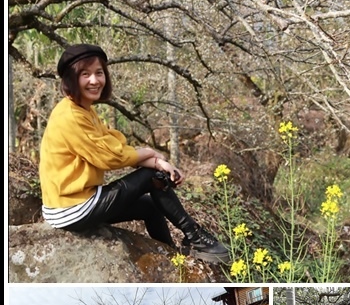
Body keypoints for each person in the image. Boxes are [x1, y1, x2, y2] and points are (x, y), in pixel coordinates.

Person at [38, 43, 229, 263]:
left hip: (74, 203)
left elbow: (115, 142)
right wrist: (152, 157)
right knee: (152, 178)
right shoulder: (70, 116)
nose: (94, 80)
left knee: (150, 205)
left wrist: (155, 161)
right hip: (71, 207)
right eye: (85, 74)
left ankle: (172, 258)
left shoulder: (84, 111)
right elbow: (111, 156)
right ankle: (195, 237)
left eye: (99, 73)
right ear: (71, 79)